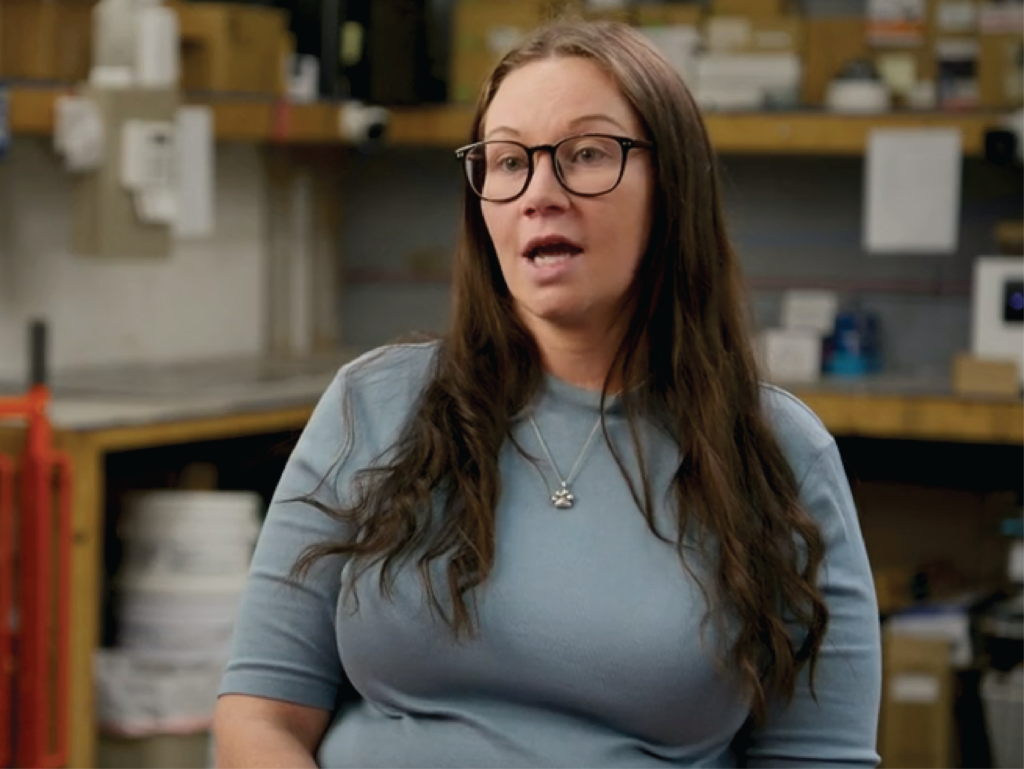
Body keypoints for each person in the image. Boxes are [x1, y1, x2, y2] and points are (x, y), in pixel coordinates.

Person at [213, 18, 882, 769]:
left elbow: (819, 759)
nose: (539, 192)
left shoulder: (778, 455)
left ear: (674, 186)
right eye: (506, 161)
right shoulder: (373, 405)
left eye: (587, 154)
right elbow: (260, 716)